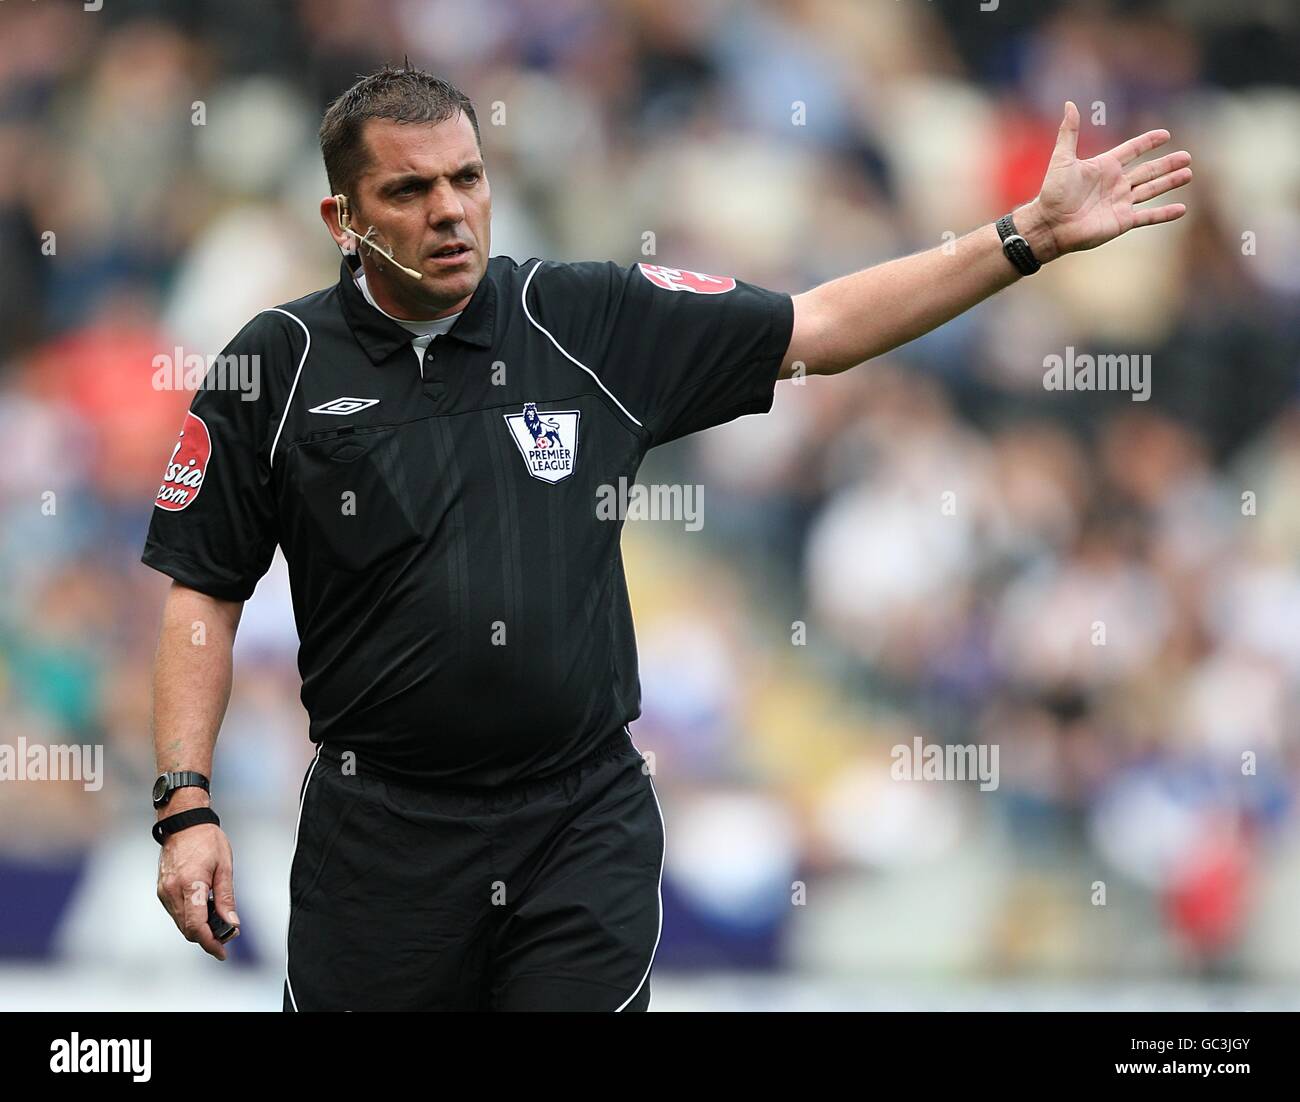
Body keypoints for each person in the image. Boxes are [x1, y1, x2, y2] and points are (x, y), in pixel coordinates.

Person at [144, 64, 1191, 1011]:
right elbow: (203, 590)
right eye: (409, 192)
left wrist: (1026, 238)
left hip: (576, 823)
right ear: (342, 216)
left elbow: (815, 328)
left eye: (466, 178)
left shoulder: (583, 318)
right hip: (379, 839)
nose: (451, 210)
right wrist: (184, 802)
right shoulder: (273, 367)